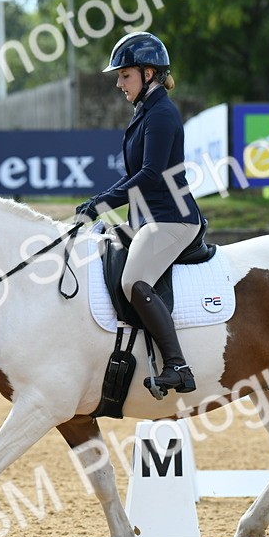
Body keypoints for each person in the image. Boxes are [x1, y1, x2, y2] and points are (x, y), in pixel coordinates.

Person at [75, 31, 203, 394]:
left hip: (172, 218)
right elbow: (136, 176)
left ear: (149, 73)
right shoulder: (146, 111)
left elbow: (149, 175)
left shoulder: (161, 115)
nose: (118, 83)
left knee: (134, 281)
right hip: (147, 218)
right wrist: (103, 209)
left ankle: (178, 366)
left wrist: (103, 202)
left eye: (124, 75)